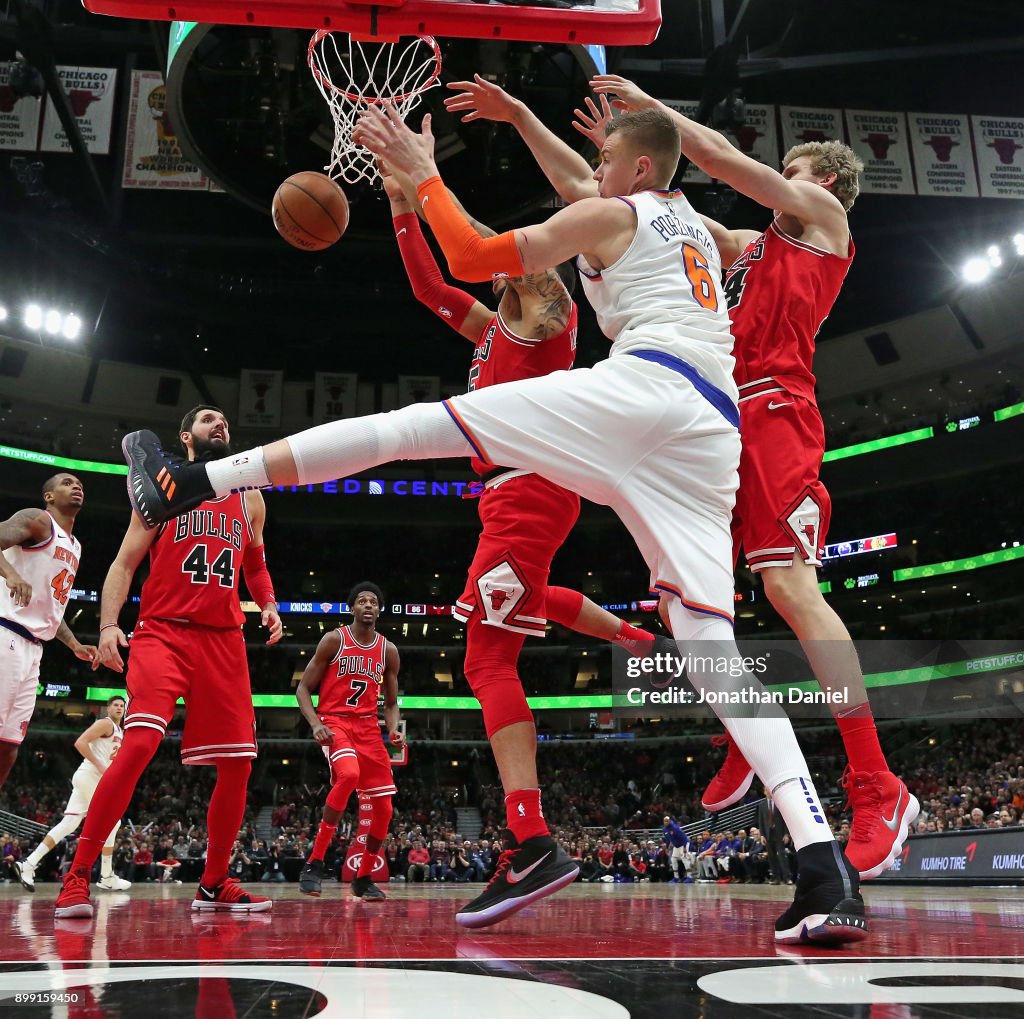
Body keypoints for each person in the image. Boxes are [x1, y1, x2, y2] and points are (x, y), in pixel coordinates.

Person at [117, 103, 866, 944]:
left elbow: (472, 254)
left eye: (608, 155)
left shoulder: (615, 213)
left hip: (642, 391)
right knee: (712, 651)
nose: (596, 163)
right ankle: (823, 867)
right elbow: (580, 188)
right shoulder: (682, 219)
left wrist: (419, 171)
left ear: (641, 169)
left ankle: (189, 481)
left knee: (412, 429)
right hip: (710, 430)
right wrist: (516, 118)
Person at [568, 74, 919, 881]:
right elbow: (647, 213)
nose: (775, 182)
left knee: (793, 590)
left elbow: (721, 158)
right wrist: (610, 157)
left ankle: (877, 785)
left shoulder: (825, 223)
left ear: (821, 180)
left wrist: (655, 113)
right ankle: (743, 735)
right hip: (718, 418)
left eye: (787, 171)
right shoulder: (749, 246)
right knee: (696, 597)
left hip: (776, 412)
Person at [382, 163, 676, 916]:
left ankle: (530, 838)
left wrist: (425, 181)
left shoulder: (547, 309)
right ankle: (629, 636)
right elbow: (429, 290)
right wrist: (400, 208)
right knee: (521, 606)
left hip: (528, 491)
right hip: (522, 497)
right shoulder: (493, 333)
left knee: (486, 658)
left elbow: (478, 252)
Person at [53, 406, 282, 919]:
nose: (219, 423)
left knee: (240, 764)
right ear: (187, 438)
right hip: (164, 631)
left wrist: (267, 602)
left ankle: (214, 881)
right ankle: (77, 876)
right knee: (137, 744)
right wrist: (109, 625)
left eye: (225, 419)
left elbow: (256, 564)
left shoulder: (252, 500)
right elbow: (124, 563)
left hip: (223, 639)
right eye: (207, 419)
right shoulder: (163, 491)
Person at [295, 581, 402, 902]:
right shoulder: (333, 640)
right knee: (350, 776)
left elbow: (392, 703)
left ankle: (363, 877)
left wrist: (394, 729)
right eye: (362, 601)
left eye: (374, 602)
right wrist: (315, 724)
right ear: (352, 608)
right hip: (335, 723)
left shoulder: (389, 650)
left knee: (384, 808)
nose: (368, 605)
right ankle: (314, 863)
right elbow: (302, 690)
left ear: (379, 611)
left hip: (369, 728)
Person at [1, 473, 98, 790]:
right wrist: (11, 574)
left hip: (34, 649)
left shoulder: (76, 546)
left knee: (9, 744)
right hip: (6, 632)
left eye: (80, 484)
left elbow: (51, 606)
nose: (77, 486)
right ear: (49, 496)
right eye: (67, 482)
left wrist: (73, 644)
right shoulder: (37, 520)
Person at [14, 696, 131, 892]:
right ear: (108, 708)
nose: (119, 708)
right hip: (90, 776)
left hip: (89, 779)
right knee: (113, 820)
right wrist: (101, 765)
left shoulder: (120, 730)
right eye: (115, 705)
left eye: (122, 705)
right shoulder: (105, 723)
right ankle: (106, 875)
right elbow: (80, 743)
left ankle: (28, 863)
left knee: (69, 824)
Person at [661, 814, 694, 883]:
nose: (666, 822)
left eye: (667, 821)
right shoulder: (664, 829)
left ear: (670, 821)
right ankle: (676, 877)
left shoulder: (675, 828)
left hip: (683, 844)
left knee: (684, 859)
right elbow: (668, 839)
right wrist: (667, 847)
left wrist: (685, 847)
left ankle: (690, 877)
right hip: (676, 846)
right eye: (664, 821)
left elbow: (684, 837)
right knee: (673, 859)